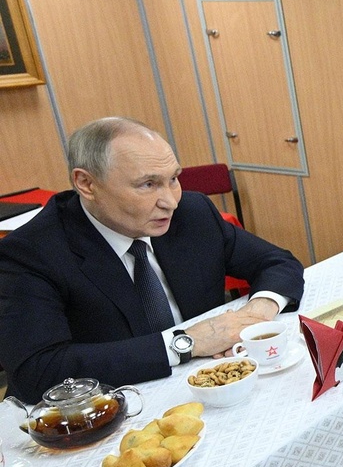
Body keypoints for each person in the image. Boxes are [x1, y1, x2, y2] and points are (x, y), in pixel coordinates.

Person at [0, 117, 304, 404]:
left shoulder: (192, 212)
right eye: (147, 184)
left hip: (207, 384)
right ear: (86, 184)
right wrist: (186, 342)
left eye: (173, 179)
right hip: (106, 407)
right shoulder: (32, 252)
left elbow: (277, 261)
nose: (170, 201)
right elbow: (38, 371)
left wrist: (255, 314)